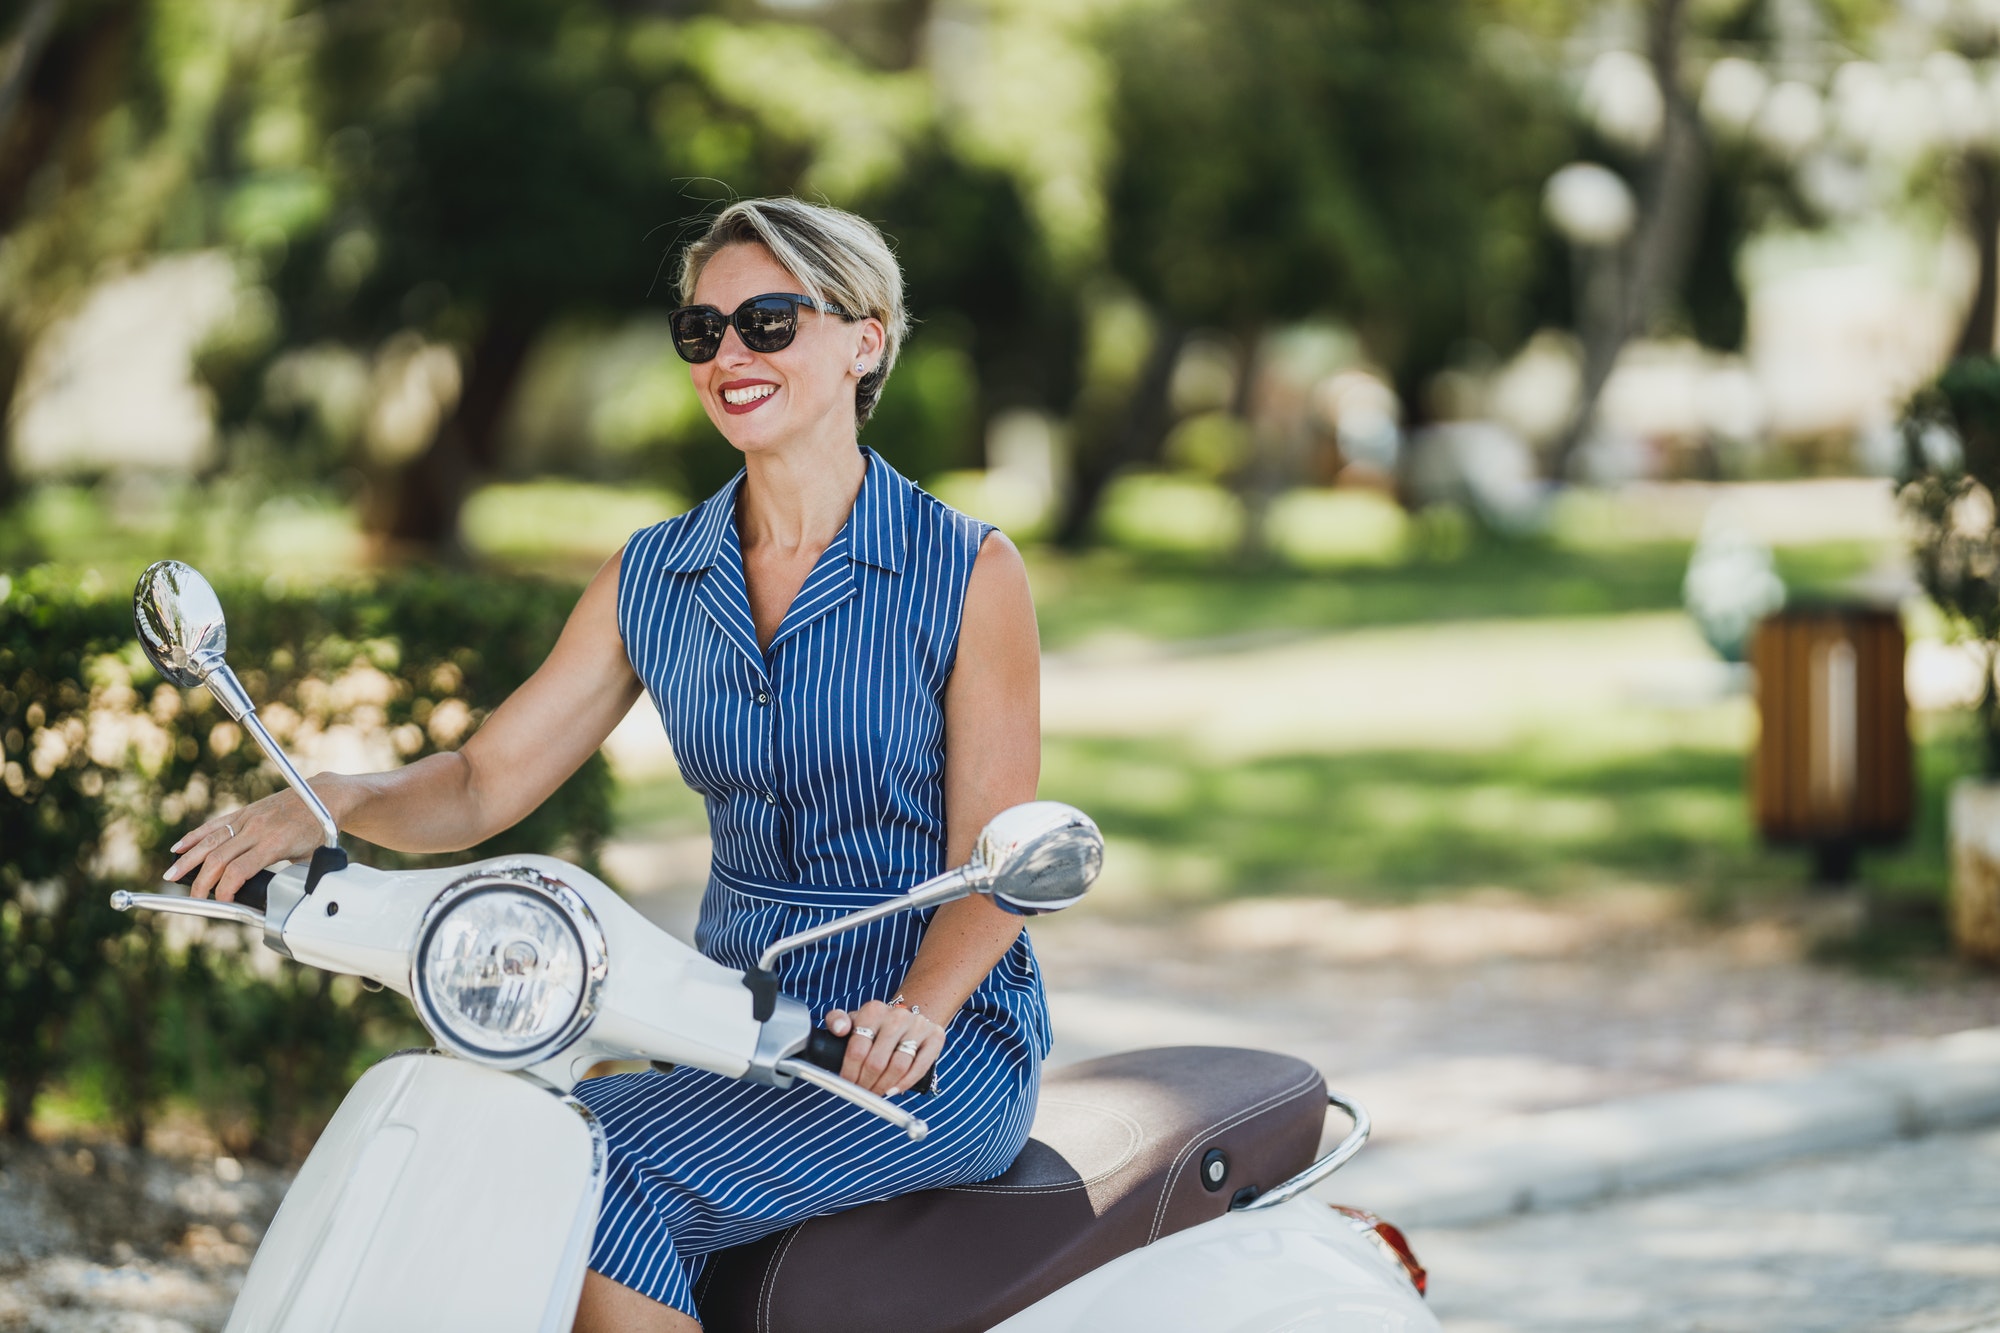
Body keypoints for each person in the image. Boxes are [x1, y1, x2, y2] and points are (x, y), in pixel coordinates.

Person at [164, 197, 1048, 1332]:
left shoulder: (966, 571)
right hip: (737, 1021)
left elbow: (1000, 859)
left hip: (929, 1042)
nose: (729, 353)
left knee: (583, 1164)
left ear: (863, 338)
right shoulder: (653, 577)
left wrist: (918, 1010)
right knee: (499, 1136)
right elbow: (486, 782)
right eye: (702, 332)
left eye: (769, 323)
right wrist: (332, 799)